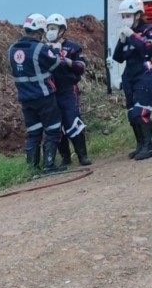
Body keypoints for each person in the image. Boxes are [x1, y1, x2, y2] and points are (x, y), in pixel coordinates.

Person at [9, 13, 70, 173]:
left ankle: (32, 169)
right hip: (44, 97)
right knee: (53, 129)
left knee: (33, 133)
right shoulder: (40, 48)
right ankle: (49, 165)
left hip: (25, 100)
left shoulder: (12, 49)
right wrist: (56, 51)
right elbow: (57, 64)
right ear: (39, 32)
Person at [112, 0, 152, 160]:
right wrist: (122, 40)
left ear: (138, 15)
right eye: (123, 16)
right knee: (132, 114)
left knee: (141, 111)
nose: (125, 20)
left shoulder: (149, 29)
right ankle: (140, 145)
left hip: (144, 74)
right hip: (129, 75)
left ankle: (149, 146)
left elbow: (150, 49)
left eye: (127, 16)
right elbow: (118, 58)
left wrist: (132, 36)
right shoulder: (126, 33)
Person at [45, 13, 91, 166]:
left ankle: (82, 155)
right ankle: (65, 158)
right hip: (51, 91)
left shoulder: (73, 47)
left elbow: (81, 66)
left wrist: (66, 60)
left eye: (53, 28)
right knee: (56, 125)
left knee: (72, 120)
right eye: (48, 28)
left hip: (68, 89)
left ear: (61, 30)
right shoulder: (43, 49)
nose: (50, 31)